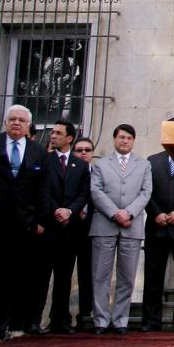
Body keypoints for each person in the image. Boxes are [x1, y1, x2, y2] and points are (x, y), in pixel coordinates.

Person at [0, 104, 49, 339]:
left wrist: (39, 220)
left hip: (24, 223)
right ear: (5, 122)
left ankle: (10, 323)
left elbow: (42, 190)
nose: (16, 123)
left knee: (17, 276)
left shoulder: (38, 151)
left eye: (21, 120)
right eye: (12, 119)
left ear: (29, 126)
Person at [89, 124, 151, 335]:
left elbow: (146, 193)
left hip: (131, 226)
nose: (125, 141)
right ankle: (101, 319)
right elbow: (96, 191)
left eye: (129, 138)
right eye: (122, 137)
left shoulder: (143, 165)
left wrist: (129, 213)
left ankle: (120, 320)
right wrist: (115, 212)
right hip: (105, 224)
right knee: (101, 275)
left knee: (127, 276)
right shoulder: (101, 165)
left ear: (133, 141)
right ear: (115, 139)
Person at [36, 120, 91, 334]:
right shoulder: (44, 160)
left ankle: (60, 319)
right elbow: (41, 191)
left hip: (70, 229)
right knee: (42, 276)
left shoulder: (81, 166)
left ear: (69, 138)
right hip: (49, 227)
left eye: (58, 133)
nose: (53, 136)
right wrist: (55, 210)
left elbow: (84, 193)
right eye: (52, 132)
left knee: (64, 277)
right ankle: (35, 319)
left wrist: (70, 210)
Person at [142, 116, 174, 333]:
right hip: (158, 226)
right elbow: (145, 191)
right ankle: (151, 320)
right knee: (153, 275)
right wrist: (156, 213)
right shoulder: (152, 161)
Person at [71, 136, 96, 331]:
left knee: (88, 273)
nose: (83, 153)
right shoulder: (67, 171)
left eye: (87, 150)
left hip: (91, 229)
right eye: (79, 150)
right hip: (69, 228)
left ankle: (86, 314)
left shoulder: (97, 173)